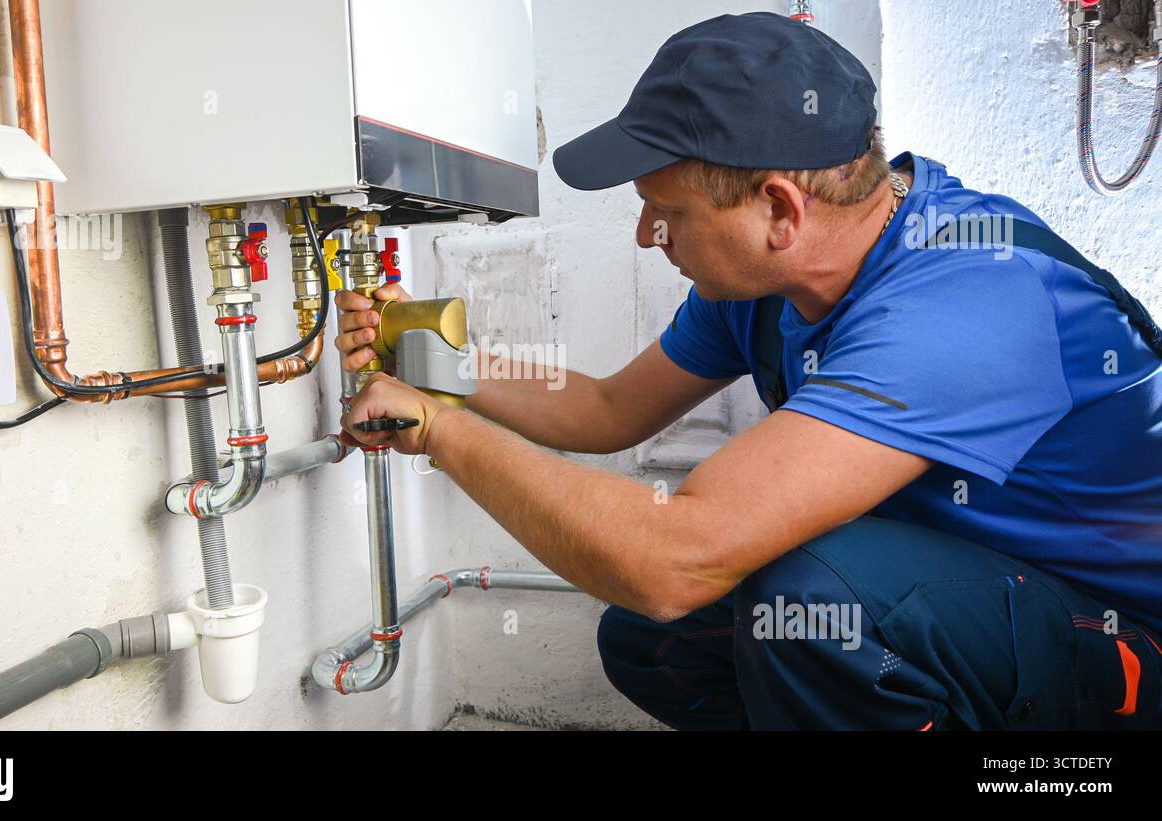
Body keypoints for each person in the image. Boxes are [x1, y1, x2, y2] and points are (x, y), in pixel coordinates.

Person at [335, 12, 1162, 730]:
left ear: (779, 210)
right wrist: (434, 363)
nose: (645, 235)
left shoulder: (970, 304)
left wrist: (440, 431)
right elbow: (607, 407)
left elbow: (673, 558)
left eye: (668, 213)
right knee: (653, 639)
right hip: (983, 596)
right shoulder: (765, 286)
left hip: (1124, 641)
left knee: (805, 604)